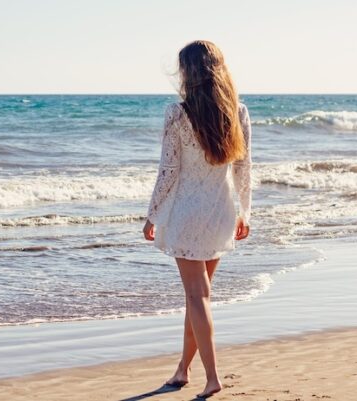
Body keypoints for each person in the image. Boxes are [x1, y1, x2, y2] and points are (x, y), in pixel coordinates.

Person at [142, 40, 252, 399]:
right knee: (199, 298)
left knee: (197, 296)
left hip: (187, 215)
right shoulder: (238, 112)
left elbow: (168, 171)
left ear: (189, 72)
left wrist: (152, 214)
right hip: (220, 213)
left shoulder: (177, 113)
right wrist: (245, 211)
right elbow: (243, 169)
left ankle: (213, 377)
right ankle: (182, 369)